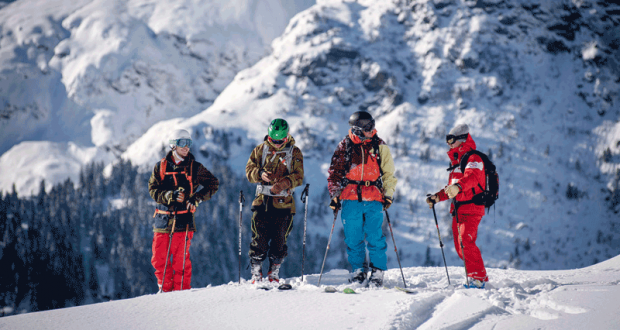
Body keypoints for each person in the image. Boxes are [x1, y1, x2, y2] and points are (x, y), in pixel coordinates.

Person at [327, 111, 397, 287]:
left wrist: (388, 194)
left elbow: (389, 173)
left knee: (375, 236)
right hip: (350, 198)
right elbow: (334, 174)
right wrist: (335, 195)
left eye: (372, 125)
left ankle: (378, 271)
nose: (372, 130)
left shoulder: (379, 146)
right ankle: (359, 270)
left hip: (373, 196)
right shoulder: (345, 146)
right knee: (353, 237)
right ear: (357, 129)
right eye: (367, 127)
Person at [148, 128, 219, 292]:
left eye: (189, 143)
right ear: (173, 145)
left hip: (184, 221)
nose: (186, 147)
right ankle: (164, 291)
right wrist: (169, 196)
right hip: (162, 221)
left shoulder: (195, 168)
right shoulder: (160, 167)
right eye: (182, 143)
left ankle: (181, 294)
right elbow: (153, 190)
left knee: (180, 261)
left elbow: (213, 183)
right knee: (159, 259)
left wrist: (197, 198)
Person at [426, 123, 488, 288]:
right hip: (459, 209)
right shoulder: (458, 163)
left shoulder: (474, 159)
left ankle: (478, 278)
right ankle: (474, 277)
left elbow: (472, 177)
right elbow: (451, 189)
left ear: (462, 139)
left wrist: (458, 187)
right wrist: (437, 197)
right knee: (460, 246)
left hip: (472, 206)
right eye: (447, 140)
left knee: (466, 242)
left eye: (451, 139)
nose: (449, 143)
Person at [245, 118, 304, 284]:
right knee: (259, 238)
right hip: (262, 202)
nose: (277, 144)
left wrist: (284, 183)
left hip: (284, 204)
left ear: (286, 137)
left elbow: (298, 176)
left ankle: (274, 271)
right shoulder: (260, 150)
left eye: (280, 141)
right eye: (273, 140)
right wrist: (260, 173)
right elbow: (249, 171)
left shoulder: (295, 152)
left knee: (279, 240)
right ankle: (256, 272)